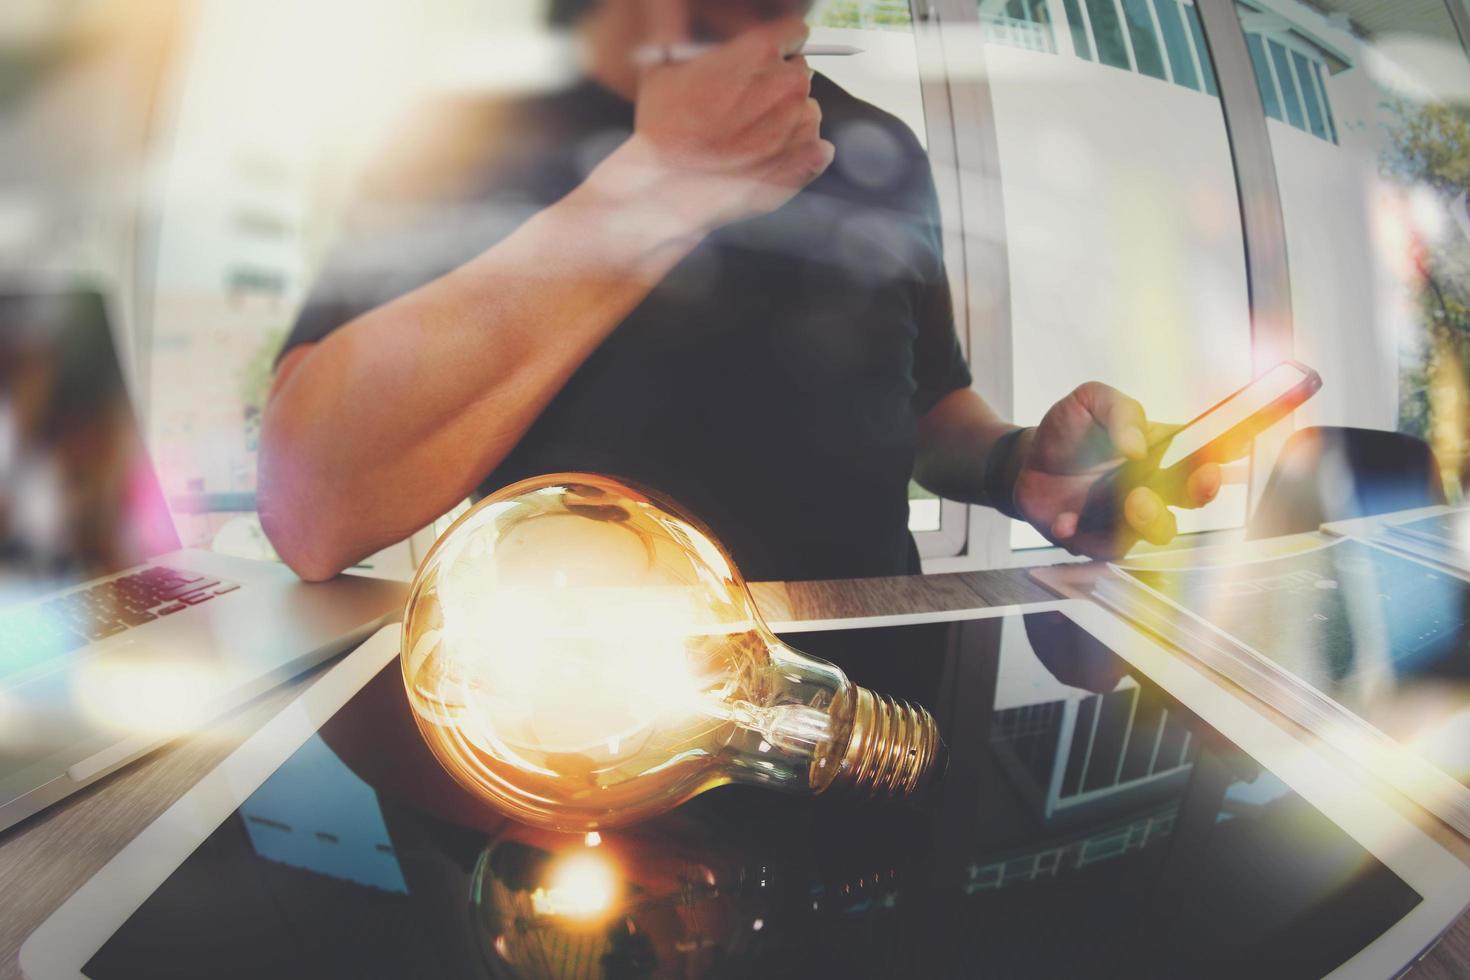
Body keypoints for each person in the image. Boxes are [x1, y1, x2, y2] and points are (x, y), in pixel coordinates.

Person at [258, 0, 1221, 584]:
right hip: (572, 730)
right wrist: (652, 191)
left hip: (876, 714)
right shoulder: (456, 132)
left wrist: (1017, 467)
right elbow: (310, 512)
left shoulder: (881, 151)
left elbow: (928, 408)